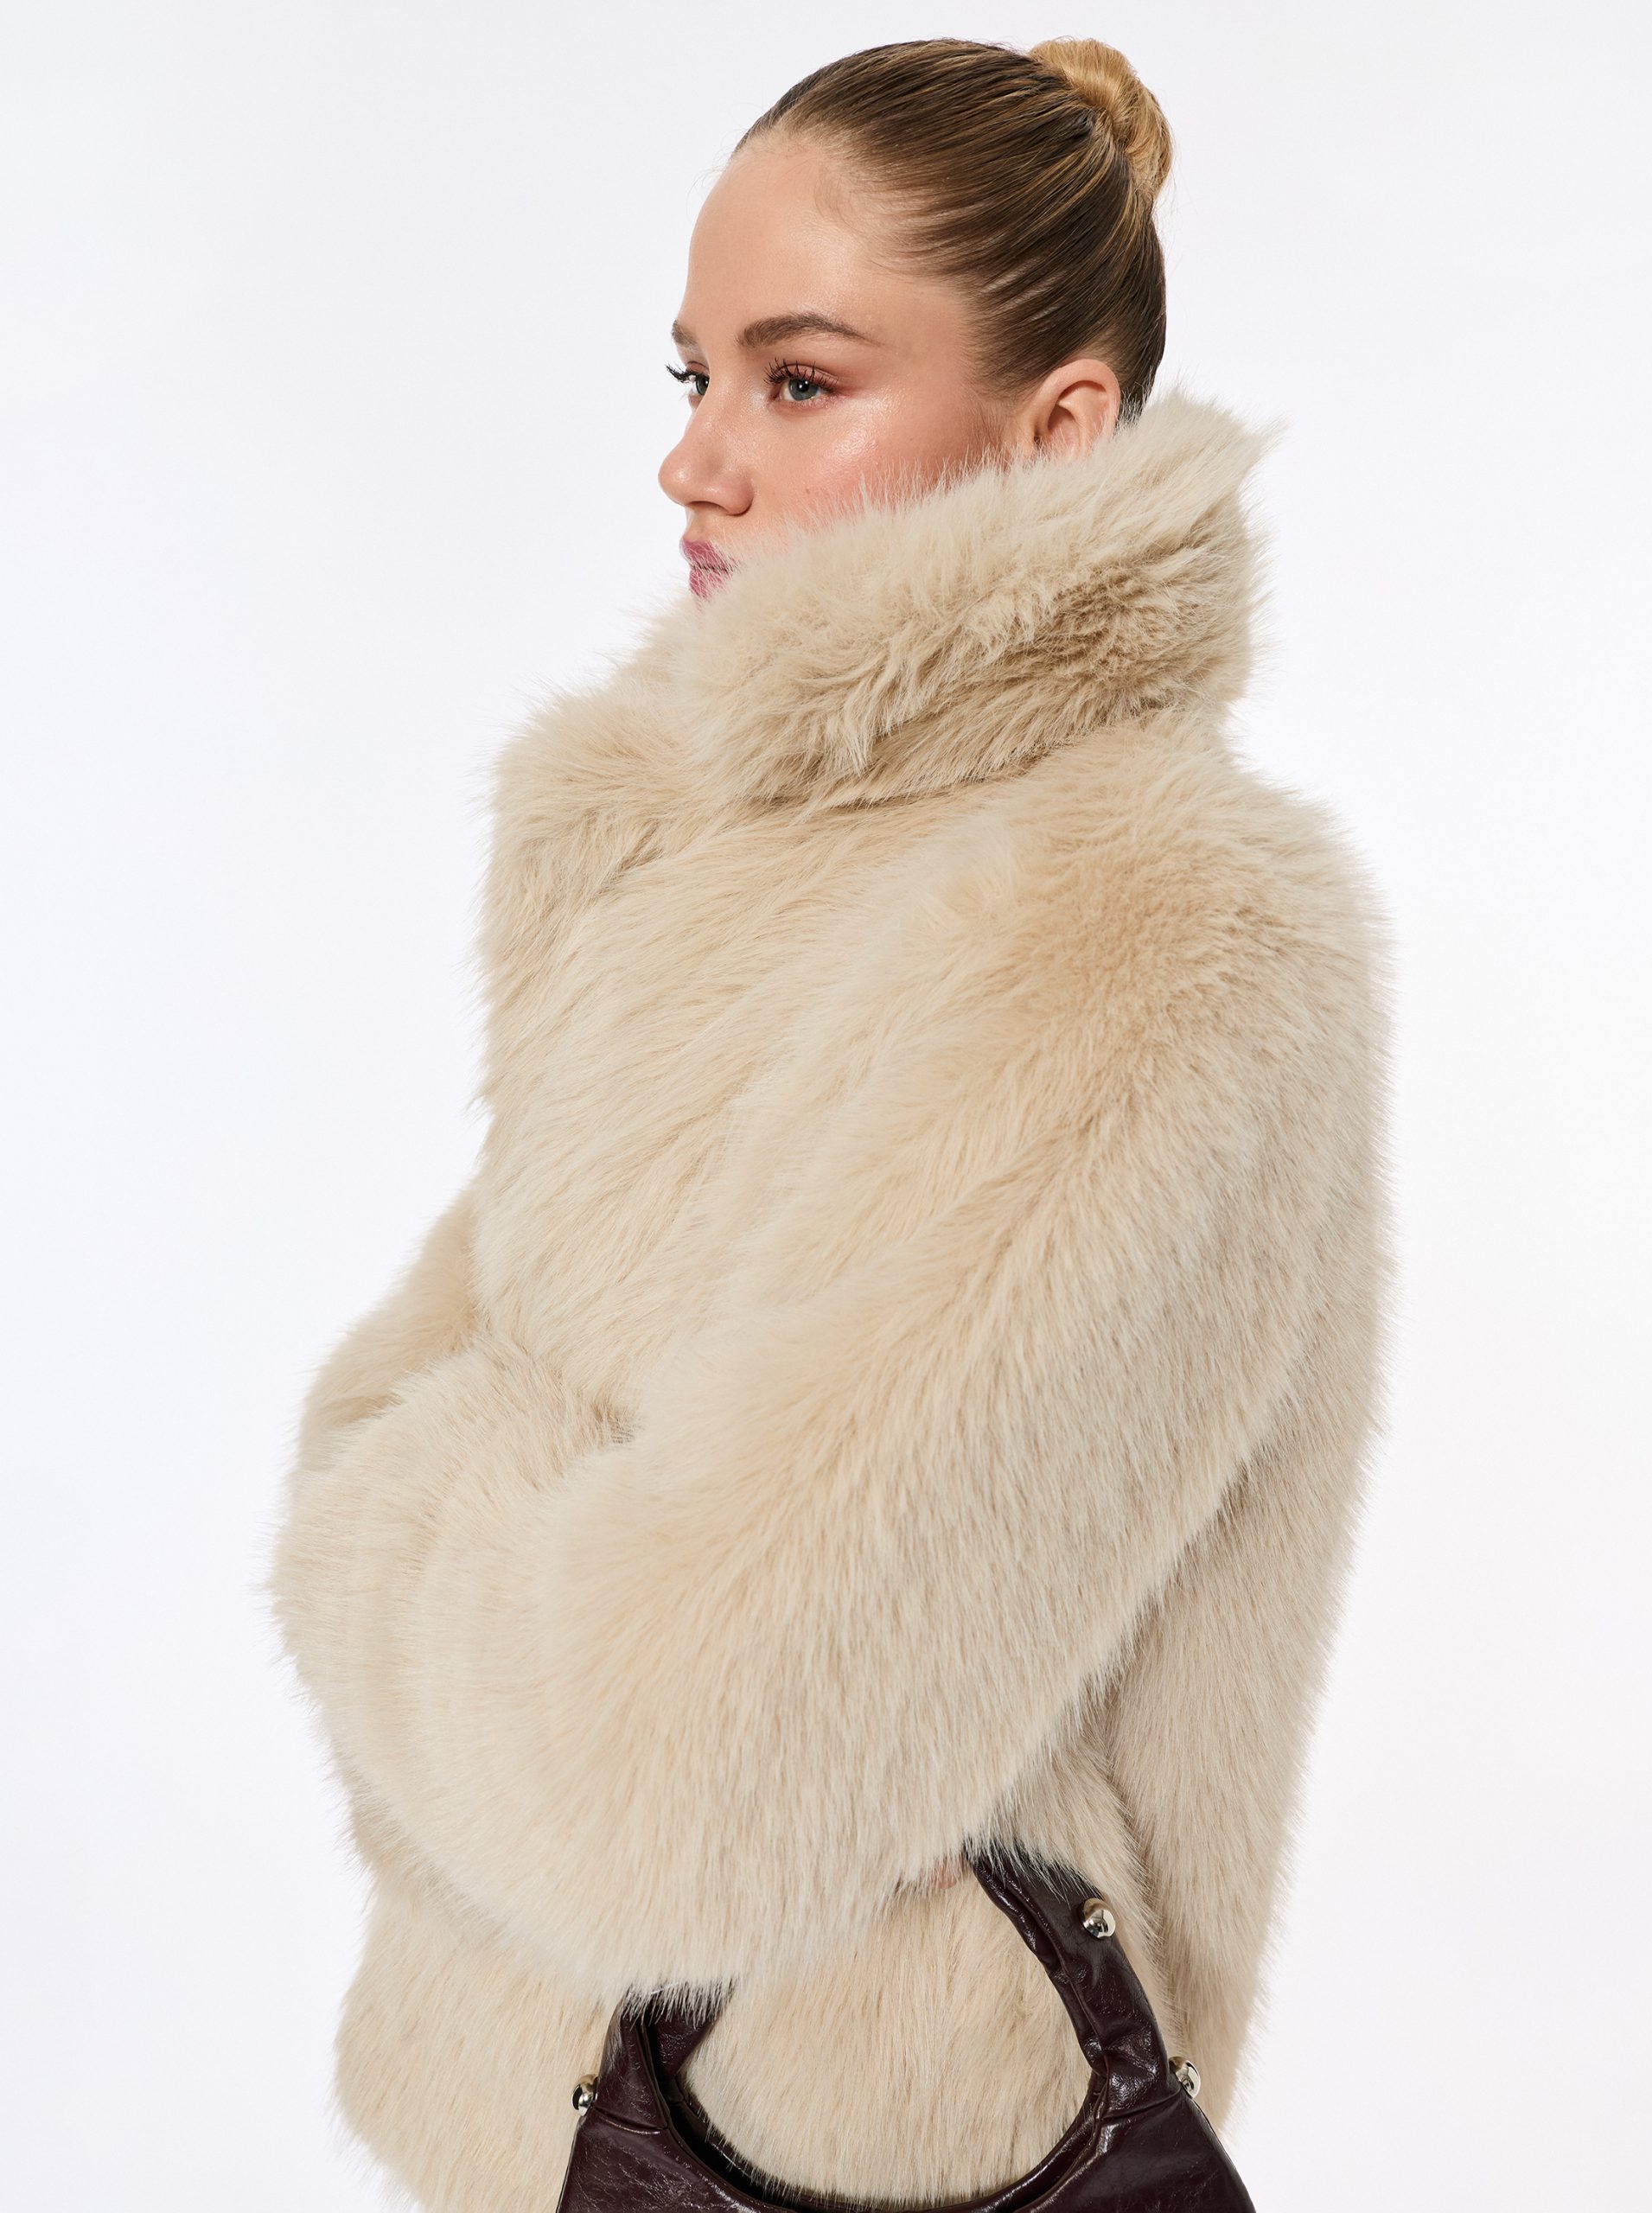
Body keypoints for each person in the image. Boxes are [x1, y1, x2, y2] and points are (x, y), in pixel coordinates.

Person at [266, 35, 1395, 2213]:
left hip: (865, 2154)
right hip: (544, 2124)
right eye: (692, 373)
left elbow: (661, 1779)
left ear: (1057, 426)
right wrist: (478, 1498)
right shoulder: (702, 862)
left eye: (799, 382)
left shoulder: (1147, 931)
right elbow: (436, 1402)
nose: (694, 461)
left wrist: (372, 1524)